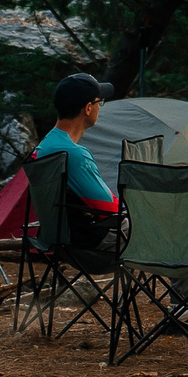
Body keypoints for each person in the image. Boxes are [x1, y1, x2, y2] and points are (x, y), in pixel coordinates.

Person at [34, 71, 120, 251]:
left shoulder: (44, 147)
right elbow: (109, 208)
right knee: (179, 238)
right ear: (88, 108)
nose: (99, 107)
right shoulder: (74, 154)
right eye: (99, 102)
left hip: (60, 238)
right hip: (92, 241)